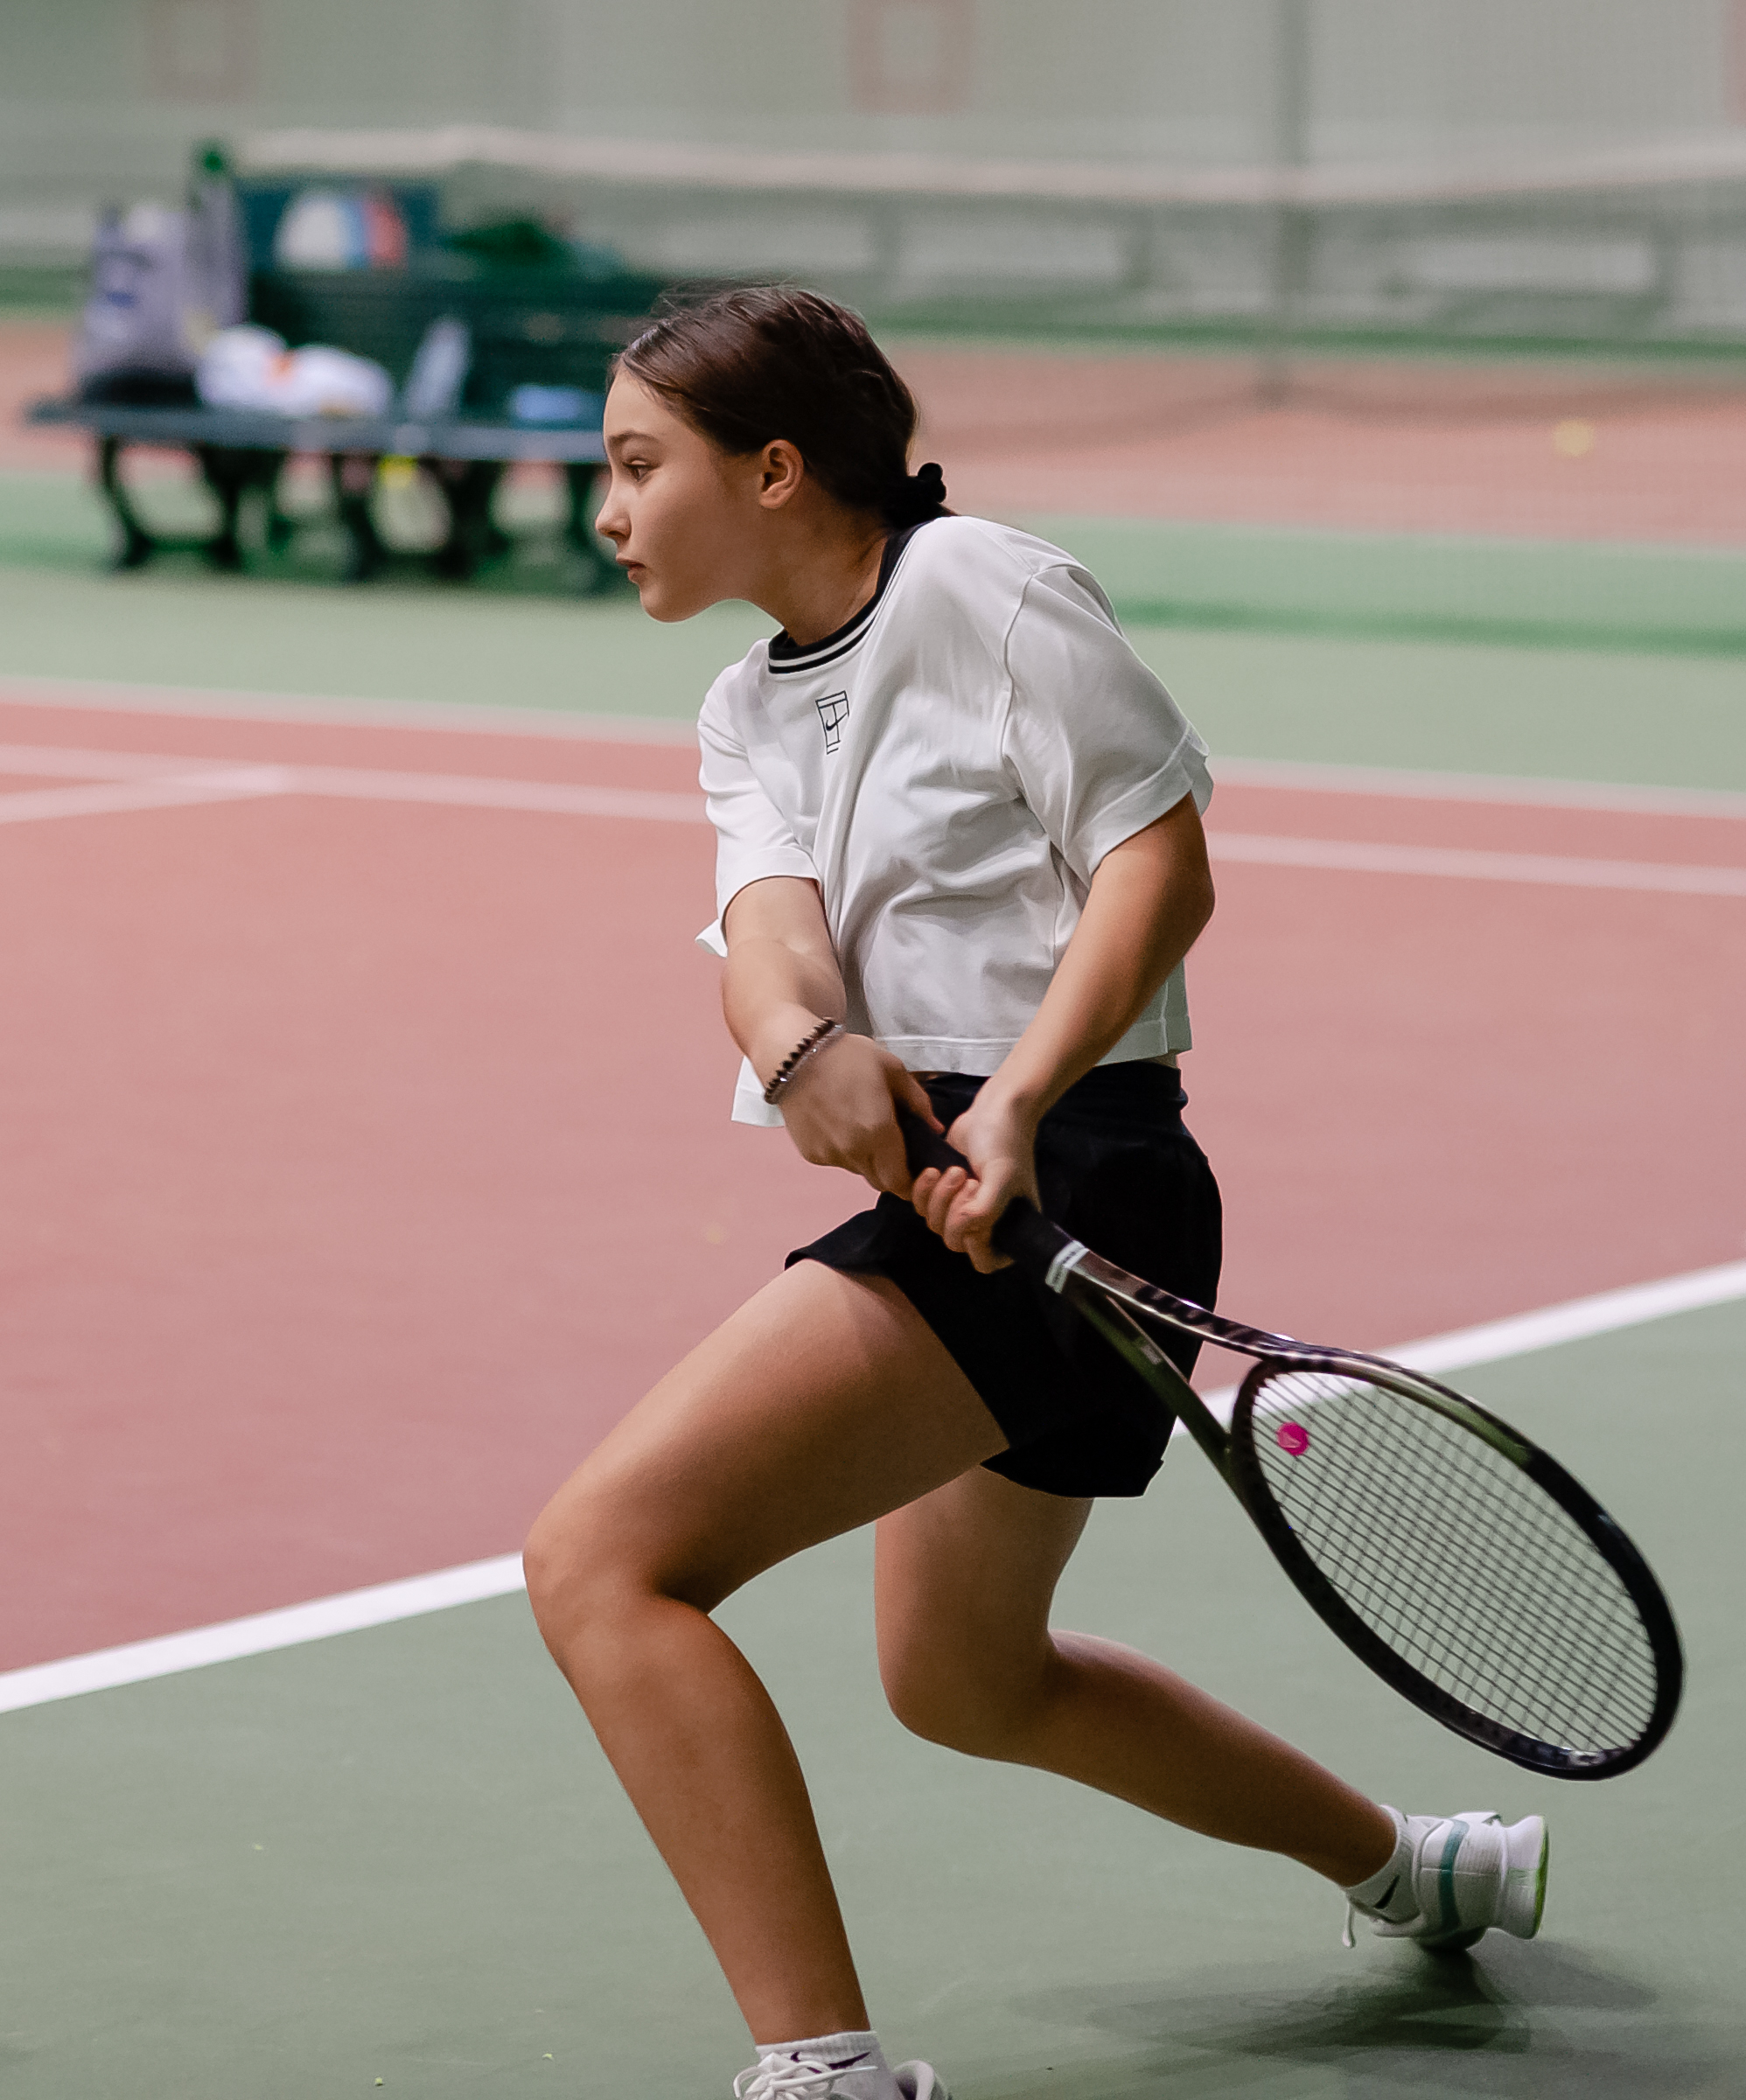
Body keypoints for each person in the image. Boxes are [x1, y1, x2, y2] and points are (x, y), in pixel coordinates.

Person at [525, 286, 1544, 2100]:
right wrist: (799, 1050)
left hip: (1075, 1169)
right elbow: (766, 936)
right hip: (948, 1184)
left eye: (634, 465)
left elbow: (1156, 867)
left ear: (772, 469)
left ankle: (825, 2069)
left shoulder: (979, 586)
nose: (604, 510)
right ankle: (1414, 1866)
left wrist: (1011, 1104)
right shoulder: (743, 706)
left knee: (602, 1563)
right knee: (965, 1678)